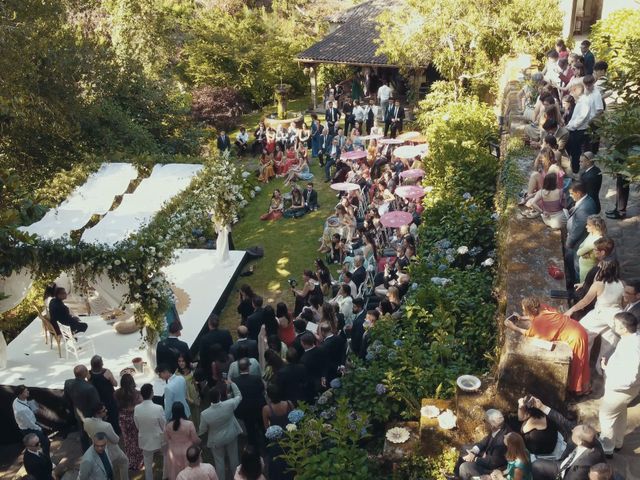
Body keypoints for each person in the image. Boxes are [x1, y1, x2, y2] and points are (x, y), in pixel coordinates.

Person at [505, 297, 589, 395]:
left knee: (579, 364)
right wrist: (521, 317)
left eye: (524, 310)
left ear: (530, 310)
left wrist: (514, 327)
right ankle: (584, 388)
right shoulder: (542, 307)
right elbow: (535, 316)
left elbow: (529, 333)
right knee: (583, 362)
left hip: (577, 337)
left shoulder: (539, 322)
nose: (523, 311)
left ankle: (581, 391)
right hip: (577, 328)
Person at [565, 260, 624, 373]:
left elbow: (585, 301)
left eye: (600, 266)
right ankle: (601, 371)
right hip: (615, 317)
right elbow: (623, 302)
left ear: (603, 269)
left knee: (583, 335)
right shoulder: (622, 284)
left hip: (600, 314)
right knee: (608, 346)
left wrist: (571, 310)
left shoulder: (599, 284)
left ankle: (582, 366)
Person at [530, 397, 605, 480]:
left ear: (580, 442)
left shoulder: (582, 467)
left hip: (569, 474)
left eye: (573, 432)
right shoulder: (583, 436)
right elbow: (562, 421)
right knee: (536, 465)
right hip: (562, 465)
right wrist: (542, 407)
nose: (572, 430)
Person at [598, 312, 640, 457]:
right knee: (620, 413)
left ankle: (607, 449)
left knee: (606, 417)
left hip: (620, 389)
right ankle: (618, 443)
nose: (614, 326)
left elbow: (631, 375)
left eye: (616, 324)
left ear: (624, 328)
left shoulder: (631, 348)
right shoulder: (633, 338)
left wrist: (612, 380)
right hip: (628, 390)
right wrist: (607, 367)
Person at [199, 380, 243, 480]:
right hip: (231, 435)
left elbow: (202, 430)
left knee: (219, 462)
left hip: (216, 440)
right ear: (219, 396)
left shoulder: (205, 414)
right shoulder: (229, 404)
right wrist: (232, 383)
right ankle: (237, 477)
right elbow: (239, 396)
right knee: (234, 459)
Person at [450, 409, 510, 480]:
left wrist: (475, 458)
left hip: (494, 469)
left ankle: (463, 476)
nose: (483, 423)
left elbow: (493, 463)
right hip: (488, 455)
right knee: (464, 448)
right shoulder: (498, 427)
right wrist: (473, 451)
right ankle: (456, 476)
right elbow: (484, 441)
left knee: (464, 467)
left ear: (491, 425)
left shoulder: (502, 441)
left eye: (485, 421)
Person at [83, 403, 129, 480]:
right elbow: (116, 440)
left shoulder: (86, 421)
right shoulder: (106, 426)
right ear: (98, 413)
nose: (106, 411)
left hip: (97, 450)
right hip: (112, 451)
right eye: (104, 410)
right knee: (124, 462)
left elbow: (88, 433)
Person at [565, 182, 598, 289]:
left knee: (576, 267)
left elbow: (578, 228)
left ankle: (577, 286)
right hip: (577, 240)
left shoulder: (585, 208)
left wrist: (569, 243)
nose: (570, 196)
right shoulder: (587, 200)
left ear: (578, 193)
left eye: (571, 193)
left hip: (578, 242)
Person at [63, 364, 100, 451]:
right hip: (90, 415)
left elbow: (66, 398)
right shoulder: (89, 388)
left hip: (78, 413)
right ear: (85, 373)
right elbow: (97, 403)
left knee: (83, 434)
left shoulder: (68, 382)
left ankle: (86, 451)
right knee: (95, 433)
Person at [134, 384, 167, 480]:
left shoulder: (137, 408)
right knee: (166, 456)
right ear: (152, 394)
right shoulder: (158, 408)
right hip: (159, 439)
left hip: (144, 439)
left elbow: (137, 425)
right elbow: (164, 425)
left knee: (147, 464)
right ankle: (165, 476)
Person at [234, 358, 266, 449]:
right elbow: (262, 390)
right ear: (248, 367)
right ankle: (266, 444)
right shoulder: (256, 378)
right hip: (258, 407)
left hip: (245, 409)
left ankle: (253, 446)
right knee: (262, 426)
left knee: (250, 429)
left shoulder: (235, 381)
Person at [114, 373, 144, 471]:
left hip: (122, 419)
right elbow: (141, 404)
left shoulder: (117, 393)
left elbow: (116, 405)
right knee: (136, 440)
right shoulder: (137, 394)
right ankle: (138, 462)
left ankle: (130, 462)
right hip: (134, 418)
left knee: (127, 441)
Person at [165, 402, 201, 480]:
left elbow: (167, 439)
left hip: (173, 452)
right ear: (183, 411)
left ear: (172, 412)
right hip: (188, 451)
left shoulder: (168, 425)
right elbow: (195, 439)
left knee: (176, 474)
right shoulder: (189, 424)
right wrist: (199, 442)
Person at [13, 385, 50, 458]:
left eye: (27, 390)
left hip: (28, 425)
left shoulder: (16, 400)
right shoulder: (22, 410)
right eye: (25, 391)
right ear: (20, 394)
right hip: (29, 429)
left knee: (38, 444)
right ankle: (46, 458)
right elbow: (30, 424)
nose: (28, 392)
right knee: (45, 442)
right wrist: (40, 429)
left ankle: (42, 454)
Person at [89, 355, 121, 436]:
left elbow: (89, 384)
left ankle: (105, 432)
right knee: (113, 415)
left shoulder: (89, 373)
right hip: (109, 398)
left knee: (102, 416)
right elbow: (115, 384)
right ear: (101, 364)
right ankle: (116, 432)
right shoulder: (107, 372)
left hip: (98, 398)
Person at [565, 84, 592, 174]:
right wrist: (569, 126)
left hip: (579, 130)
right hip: (574, 129)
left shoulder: (584, 101)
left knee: (575, 152)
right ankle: (571, 168)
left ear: (576, 90)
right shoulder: (580, 101)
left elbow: (581, 118)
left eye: (572, 92)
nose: (572, 95)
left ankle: (575, 170)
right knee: (571, 149)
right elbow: (574, 117)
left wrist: (572, 127)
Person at [200, 313, 233, 380]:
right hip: (227, 362)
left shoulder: (204, 339)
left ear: (209, 324)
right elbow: (231, 346)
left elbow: (203, 357)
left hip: (212, 369)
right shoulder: (226, 333)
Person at [576, 215, 607, 283]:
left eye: (589, 225)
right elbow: (581, 245)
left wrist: (583, 250)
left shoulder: (595, 241)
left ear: (595, 227)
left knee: (584, 284)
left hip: (588, 269)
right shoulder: (591, 233)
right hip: (584, 265)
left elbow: (578, 252)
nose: (586, 226)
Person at [177, 353, 201, 430]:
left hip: (194, 392)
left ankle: (198, 429)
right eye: (179, 361)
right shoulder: (177, 373)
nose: (181, 363)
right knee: (188, 413)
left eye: (183, 361)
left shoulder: (192, 369)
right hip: (185, 395)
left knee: (196, 412)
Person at [300, 332, 327, 397]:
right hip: (322, 378)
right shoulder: (321, 349)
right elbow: (325, 363)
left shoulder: (304, 359)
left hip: (313, 384)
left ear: (304, 344)